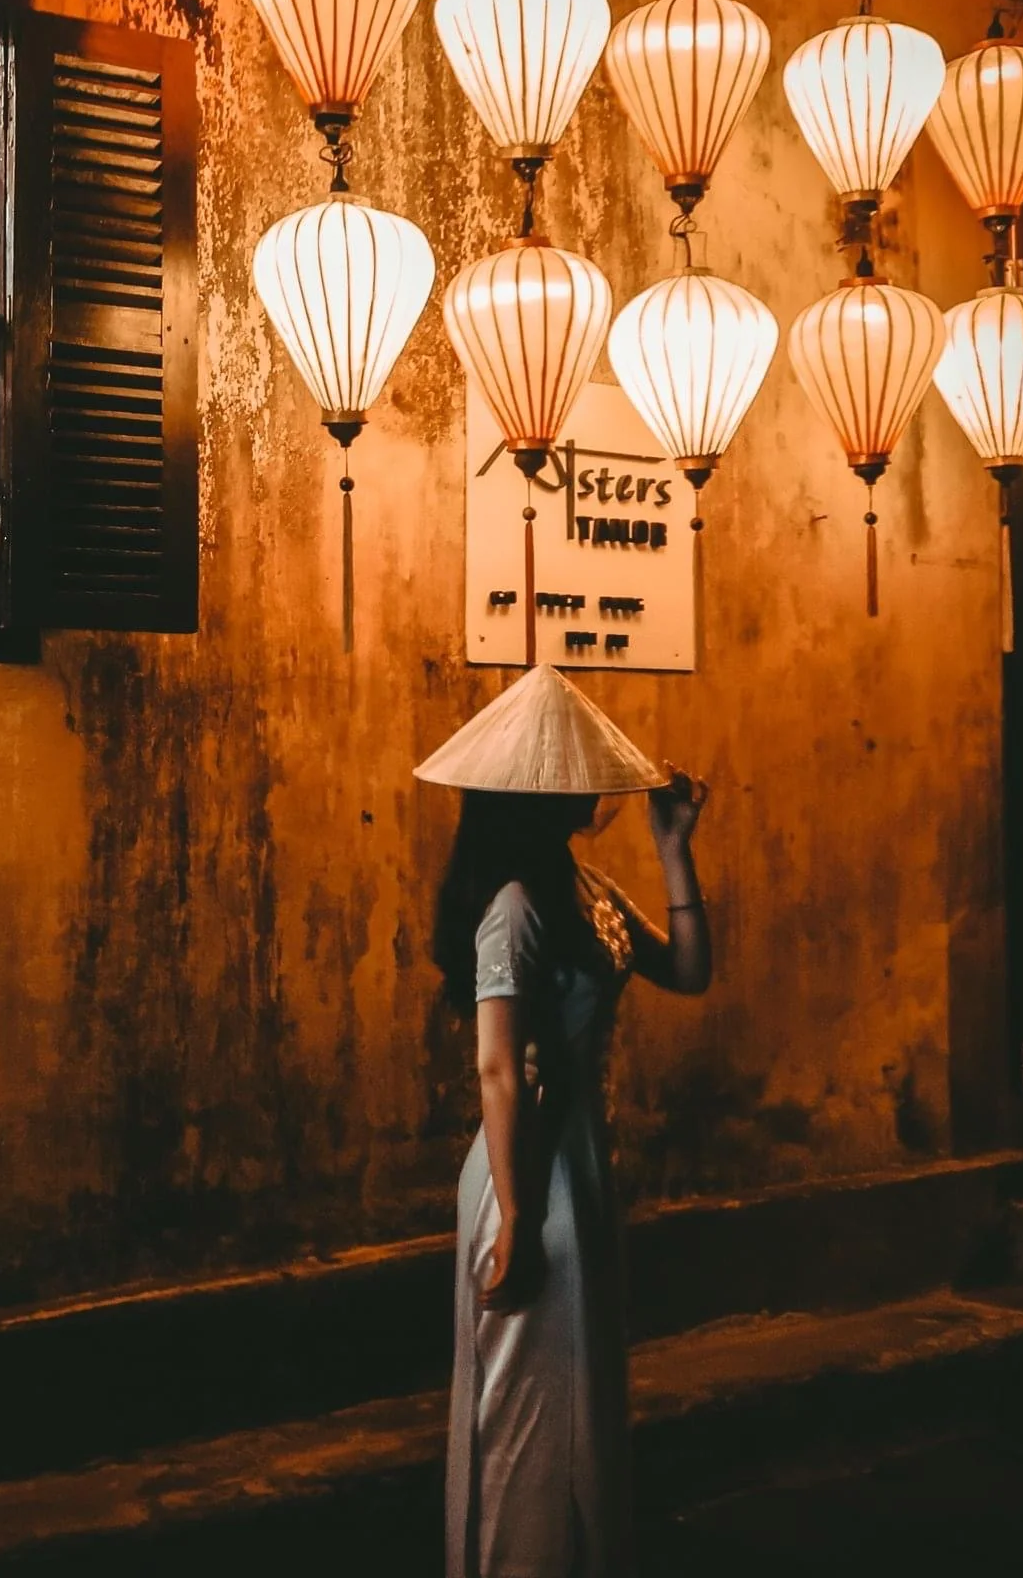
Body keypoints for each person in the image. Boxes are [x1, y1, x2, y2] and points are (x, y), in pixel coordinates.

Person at [416, 667, 711, 1578]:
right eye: (575, 773)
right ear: (537, 792)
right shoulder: (513, 908)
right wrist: (514, 1222)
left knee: (581, 1393)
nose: (593, 788)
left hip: (576, 1163)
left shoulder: (587, 886)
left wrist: (673, 851)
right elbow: (498, 1068)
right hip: (529, 1170)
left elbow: (691, 973)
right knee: (526, 1410)